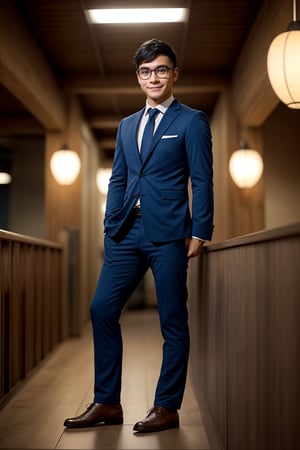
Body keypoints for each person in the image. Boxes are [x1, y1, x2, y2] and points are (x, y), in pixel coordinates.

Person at [64, 38, 214, 433]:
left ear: (174, 74)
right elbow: (119, 178)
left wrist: (200, 230)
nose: (154, 77)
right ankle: (107, 402)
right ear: (138, 77)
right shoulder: (127, 124)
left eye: (161, 69)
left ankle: (167, 406)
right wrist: (110, 222)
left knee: (172, 320)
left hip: (169, 234)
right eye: (146, 71)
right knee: (101, 309)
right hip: (126, 232)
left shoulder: (191, 121)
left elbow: (201, 178)